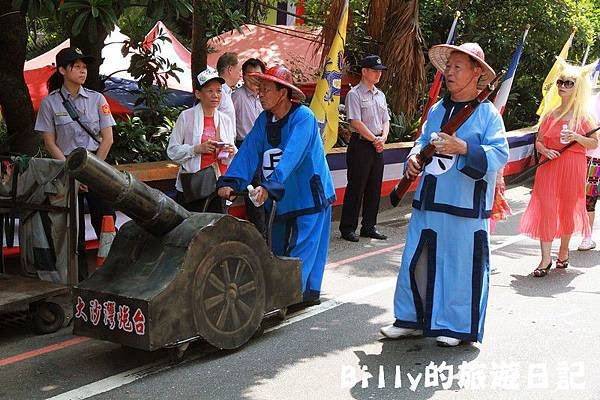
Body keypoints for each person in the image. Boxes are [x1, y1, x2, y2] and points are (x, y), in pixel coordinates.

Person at [380, 43, 509, 347]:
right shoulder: (438, 110)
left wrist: (464, 148)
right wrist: (413, 157)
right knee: (415, 259)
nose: (449, 72)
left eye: (457, 67)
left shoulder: (488, 114)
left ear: (477, 73)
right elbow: (422, 140)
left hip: (465, 206)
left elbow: (499, 154)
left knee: (460, 265)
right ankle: (410, 318)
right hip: (429, 200)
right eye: (448, 66)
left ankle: (455, 325)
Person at [216, 65, 335, 306]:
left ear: (283, 93)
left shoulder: (304, 118)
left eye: (266, 89)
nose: (260, 94)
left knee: (304, 247)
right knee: (279, 246)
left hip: (307, 194)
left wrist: (270, 185)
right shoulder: (264, 120)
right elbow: (249, 151)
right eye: (259, 89)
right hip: (279, 195)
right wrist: (231, 181)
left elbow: (292, 155)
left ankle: (298, 294)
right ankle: (289, 292)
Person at [35, 47, 116, 280]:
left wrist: (94, 172)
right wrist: (74, 173)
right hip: (66, 169)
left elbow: (107, 138)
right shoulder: (50, 103)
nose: (82, 71)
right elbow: (50, 142)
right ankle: (76, 279)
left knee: (105, 221)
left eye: (84, 66)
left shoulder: (97, 99)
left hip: (96, 167)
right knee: (73, 227)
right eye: (76, 66)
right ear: (62, 70)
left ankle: (111, 275)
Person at [519, 59, 599, 276]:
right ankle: (545, 259)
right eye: (560, 82)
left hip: (572, 166)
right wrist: (544, 150)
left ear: (578, 87)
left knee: (566, 209)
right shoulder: (550, 114)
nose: (563, 86)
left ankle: (563, 252)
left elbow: (594, 143)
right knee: (546, 207)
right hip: (549, 166)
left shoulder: (584, 116)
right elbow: (539, 140)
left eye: (569, 83)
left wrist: (576, 137)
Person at [167, 67, 236, 213]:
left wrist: (230, 151)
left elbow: (231, 154)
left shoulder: (225, 120)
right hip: (193, 187)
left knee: (216, 230)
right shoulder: (186, 116)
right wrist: (196, 149)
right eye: (210, 91)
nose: (215, 95)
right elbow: (172, 151)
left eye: (218, 91)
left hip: (218, 186)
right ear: (198, 94)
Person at [339, 55, 390, 242]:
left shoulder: (381, 95)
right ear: (364, 71)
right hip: (361, 144)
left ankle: (369, 226)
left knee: (374, 187)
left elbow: (386, 120)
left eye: (380, 71)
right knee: (356, 187)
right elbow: (355, 121)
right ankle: (348, 227)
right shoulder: (355, 94)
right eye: (375, 70)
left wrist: (382, 138)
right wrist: (374, 139)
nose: (378, 74)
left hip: (377, 145)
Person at [232, 58, 268, 238]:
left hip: (265, 148)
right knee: (254, 193)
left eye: (258, 75)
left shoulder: (266, 97)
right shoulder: (237, 97)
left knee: (268, 188)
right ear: (243, 76)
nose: (255, 79)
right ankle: (259, 236)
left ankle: (268, 234)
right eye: (251, 75)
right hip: (245, 147)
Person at [578, 90, 600, 251]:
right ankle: (587, 236)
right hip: (593, 156)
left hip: (593, 156)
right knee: (588, 200)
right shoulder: (591, 102)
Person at [216, 52, 242, 132]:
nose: (241, 74)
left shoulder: (227, 92)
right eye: (239, 70)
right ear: (230, 69)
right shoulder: (218, 93)